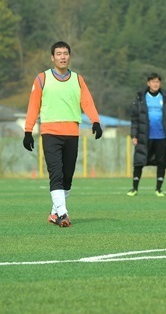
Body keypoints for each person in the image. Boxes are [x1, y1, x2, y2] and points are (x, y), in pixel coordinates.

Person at [23, 41, 103, 228]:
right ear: (52, 57)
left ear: (69, 56)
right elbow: (33, 107)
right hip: (50, 133)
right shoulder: (42, 78)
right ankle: (63, 214)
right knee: (56, 174)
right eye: (58, 54)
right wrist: (28, 131)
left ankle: (54, 213)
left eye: (65, 53)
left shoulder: (77, 79)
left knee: (67, 177)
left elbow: (87, 102)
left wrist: (96, 121)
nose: (62, 57)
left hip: (72, 134)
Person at [128, 73, 166, 197]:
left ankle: (158, 189)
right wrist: (134, 135)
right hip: (144, 136)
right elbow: (135, 118)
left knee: (162, 163)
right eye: (153, 82)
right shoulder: (141, 97)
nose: (155, 84)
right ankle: (134, 189)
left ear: (160, 83)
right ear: (148, 83)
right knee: (139, 162)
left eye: (157, 82)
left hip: (162, 136)